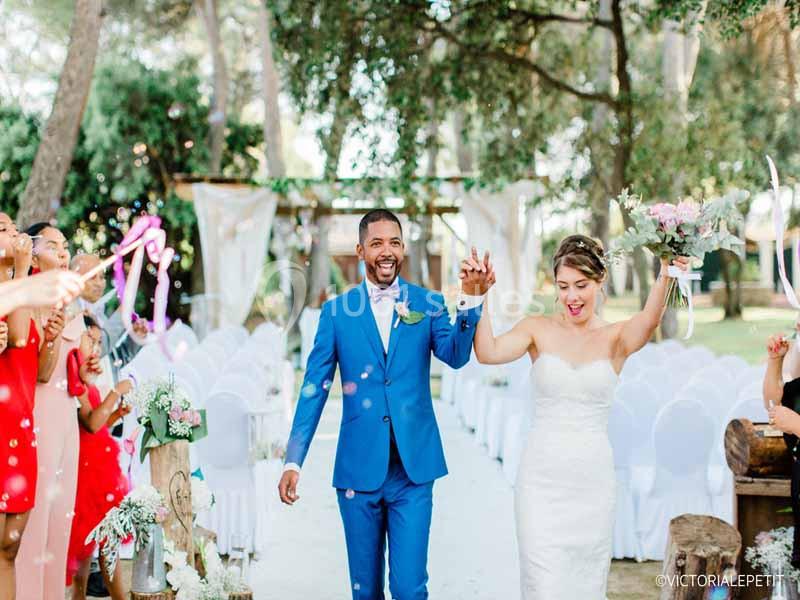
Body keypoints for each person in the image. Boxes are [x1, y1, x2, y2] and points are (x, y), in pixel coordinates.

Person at [278, 209, 492, 599]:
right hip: (358, 472)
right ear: (361, 250)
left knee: (410, 589)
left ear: (403, 247)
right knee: (366, 592)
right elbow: (314, 388)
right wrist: (294, 459)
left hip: (414, 471)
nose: (387, 251)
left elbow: (457, 355)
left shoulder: (427, 304)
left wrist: (471, 300)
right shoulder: (337, 312)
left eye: (394, 242)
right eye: (376, 243)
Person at [470, 235, 688, 599]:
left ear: (601, 282)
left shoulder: (616, 337)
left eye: (581, 286)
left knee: (585, 585)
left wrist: (667, 270)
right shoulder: (536, 328)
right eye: (563, 286)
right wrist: (479, 296)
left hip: (592, 483)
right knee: (543, 584)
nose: (572, 297)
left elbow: (650, 319)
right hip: (540, 483)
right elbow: (488, 352)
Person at [16, 223, 98, 600]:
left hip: (66, 416)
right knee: (37, 526)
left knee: (61, 521)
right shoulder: (27, 297)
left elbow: (72, 370)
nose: (64, 253)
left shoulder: (68, 302)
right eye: (53, 246)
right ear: (33, 255)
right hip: (39, 415)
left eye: (65, 246)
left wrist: (86, 370)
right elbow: (40, 374)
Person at [0, 213, 67, 600]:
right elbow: (19, 335)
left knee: (10, 548)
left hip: (22, 429)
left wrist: (54, 339)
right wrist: (23, 269)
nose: (15, 234)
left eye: (13, 228)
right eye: (5, 230)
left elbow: (41, 372)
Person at [65, 318, 132, 600]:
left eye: (99, 343)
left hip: (100, 466)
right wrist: (116, 392)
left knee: (103, 543)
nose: (95, 347)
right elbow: (90, 423)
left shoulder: (86, 376)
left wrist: (116, 414)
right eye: (89, 339)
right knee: (92, 547)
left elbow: (99, 424)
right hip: (87, 472)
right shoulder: (72, 370)